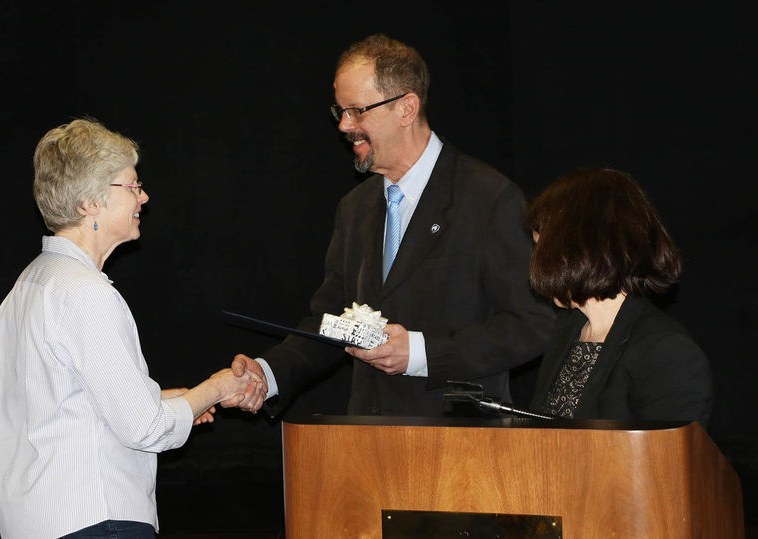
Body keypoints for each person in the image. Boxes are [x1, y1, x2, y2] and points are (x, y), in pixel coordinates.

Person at [230, 34, 556, 417]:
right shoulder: (355, 208)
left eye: (357, 111)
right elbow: (331, 323)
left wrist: (420, 353)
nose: (344, 126)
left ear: (406, 108)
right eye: (340, 112)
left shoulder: (487, 198)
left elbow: (533, 325)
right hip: (370, 444)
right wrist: (269, 374)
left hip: (461, 447)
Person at [0, 118, 264, 539]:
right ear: (89, 202)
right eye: (132, 186)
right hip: (93, 529)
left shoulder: (29, 285)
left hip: (36, 529)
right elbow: (145, 428)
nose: (144, 197)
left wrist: (183, 399)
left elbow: (71, 407)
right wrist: (218, 388)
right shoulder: (86, 293)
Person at [525, 167, 713, 426]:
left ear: (582, 250)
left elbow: (667, 463)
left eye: (539, 248)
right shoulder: (568, 328)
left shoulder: (666, 353)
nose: (534, 262)